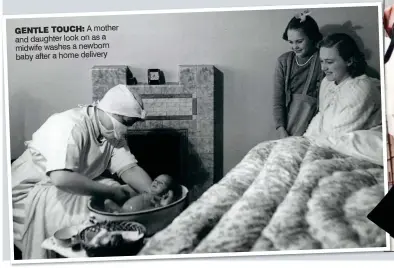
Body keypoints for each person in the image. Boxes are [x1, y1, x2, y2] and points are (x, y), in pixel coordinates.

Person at [11, 84, 153, 259]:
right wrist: (112, 193)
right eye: (125, 122)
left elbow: (129, 169)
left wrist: (154, 194)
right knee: (94, 210)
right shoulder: (71, 126)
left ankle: (114, 247)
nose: (125, 129)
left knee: (114, 188)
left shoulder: (110, 132)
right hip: (27, 190)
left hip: (68, 184)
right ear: (110, 111)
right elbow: (60, 179)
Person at [304, 33, 382, 138]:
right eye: (321, 61)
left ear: (349, 61)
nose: (323, 68)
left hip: (356, 141)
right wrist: (306, 139)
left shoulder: (360, 88)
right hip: (329, 138)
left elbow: (339, 133)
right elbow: (321, 116)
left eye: (329, 62)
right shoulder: (327, 82)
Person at [273, 9, 325, 138]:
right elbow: (278, 99)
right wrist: (280, 129)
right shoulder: (283, 61)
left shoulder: (322, 59)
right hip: (288, 126)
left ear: (312, 38)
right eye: (291, 42)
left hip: (314, 125)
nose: (295, 46)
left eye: (299, 41)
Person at [104, 174, 179, 213]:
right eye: (155, 180)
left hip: (131, 213)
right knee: (107, 201)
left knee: (109, 203)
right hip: (126, 209)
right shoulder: (145, 191)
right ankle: (118, 212)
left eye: (160, 183)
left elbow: (158, 210)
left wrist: (164, 203)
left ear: (166, 192)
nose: (156, 183)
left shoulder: (157, 199)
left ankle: (119, 213)